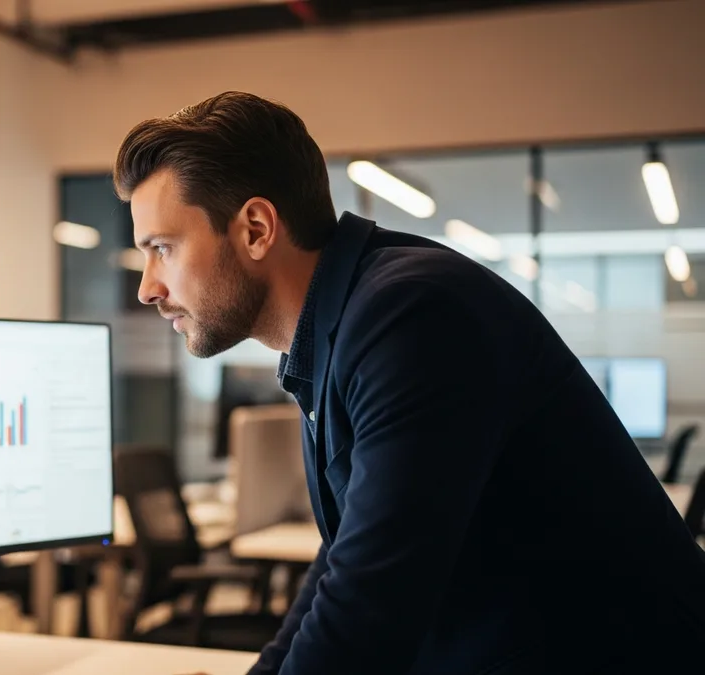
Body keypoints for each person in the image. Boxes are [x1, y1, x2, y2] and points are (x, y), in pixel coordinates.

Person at [112, 91, 705, 674]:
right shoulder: (341, 330)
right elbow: (347, 558)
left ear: (257, 229)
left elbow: (369, 607)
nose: (147, 287)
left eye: (162, 248)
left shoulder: (410, 316)